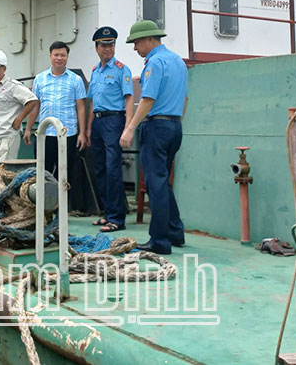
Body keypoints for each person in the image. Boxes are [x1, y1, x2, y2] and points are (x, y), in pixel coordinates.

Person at [119, 20, 187, 255]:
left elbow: (147, 99)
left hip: (157, 127)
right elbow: (185, 98)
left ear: (149, 39)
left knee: (155, 185)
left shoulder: (154, 63)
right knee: (163, 182)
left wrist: (129, 129)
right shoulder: (178, 61)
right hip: (175, 126)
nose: (135, 48)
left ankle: (159, 240)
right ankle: (175, 232)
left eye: (137, 42)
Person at [25, 41, 93, 213]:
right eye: (56, 55)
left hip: (68, 135)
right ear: (50, 56)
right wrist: (28, 128)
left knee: (68, 173)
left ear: (67, 57)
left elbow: (81, 107)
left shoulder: (75, 80)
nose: (59, 58)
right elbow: (35, 106)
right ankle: (44, 208)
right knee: (43, 172)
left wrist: (82, 133)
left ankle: (65, 209)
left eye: (63, 55)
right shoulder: (40, 79)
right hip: (45, 135)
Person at [87, 26, 134, 232]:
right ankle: (108, 213)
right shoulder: (95, 71)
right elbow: (92, 103)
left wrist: (128, 127)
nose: (108, 49)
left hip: (114, 121)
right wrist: (88, 128)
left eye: (111, 45)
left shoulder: (122, 69)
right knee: (100, 169)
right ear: (97, 48)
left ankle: (117, 218)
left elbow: (129, 98)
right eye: (104, 45)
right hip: (97, 122)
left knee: (113, 168)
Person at [0, 49, 38, 161]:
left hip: (6, 137)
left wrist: (19, 119)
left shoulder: (13, 86)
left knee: (4, 173)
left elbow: (32, 100)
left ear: (4, 69)